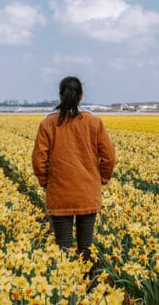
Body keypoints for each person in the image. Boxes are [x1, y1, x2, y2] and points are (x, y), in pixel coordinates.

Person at [32, 76, 116, 265]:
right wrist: (101, 178)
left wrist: (46, 182)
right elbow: (109, 156)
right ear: (81, 96)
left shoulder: (48, 123)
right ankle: (88, 286)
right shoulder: (94, 122)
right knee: (86, 248)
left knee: (63, 249)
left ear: (60, 96)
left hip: (60, 193)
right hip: (87, 192)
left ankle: (70, 290)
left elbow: (38, 159)